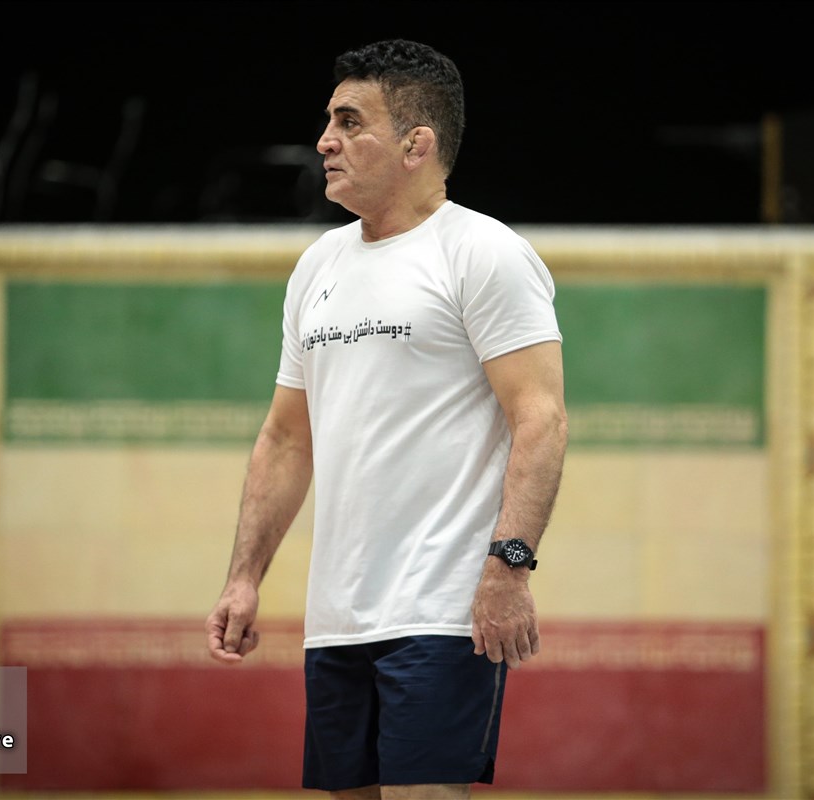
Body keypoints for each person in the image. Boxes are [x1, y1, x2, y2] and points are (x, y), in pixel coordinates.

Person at [205, 38, 567, 799]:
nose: (324, 141)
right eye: (328, 121)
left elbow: (541, 419)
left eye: (349, 121)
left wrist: (508, 568)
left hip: (443, 612)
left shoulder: (483, 253)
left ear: (416, 145)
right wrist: (243, 579)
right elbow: (286, 438)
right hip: (337, 619)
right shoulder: (318, 266)